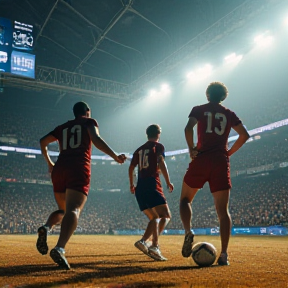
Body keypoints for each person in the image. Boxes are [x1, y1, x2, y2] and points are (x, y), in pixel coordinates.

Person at [36, 101, 126, 269]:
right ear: (87, 112)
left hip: (60, 168)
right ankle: (60, 248)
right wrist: (115, 157)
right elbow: (96, 139)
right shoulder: (89, 122)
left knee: (63, 210)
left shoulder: (62, 127)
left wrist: (49, 163)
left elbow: (43, 141)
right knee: (73, 209)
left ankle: (46, 227)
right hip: (78, 167)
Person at [179, 82, 249, 265]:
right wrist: (229, 152)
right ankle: (224, 254)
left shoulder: (198, 109)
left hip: (201, 158)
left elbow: (188, 128)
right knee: (222, 211)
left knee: (185, 200)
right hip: (220, 161)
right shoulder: (229, 113)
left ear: (207, 94)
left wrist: (191, 148)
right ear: (223, 96)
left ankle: (188, 232)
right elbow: (244, 135)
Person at [128, 124, 174, 261]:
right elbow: (161, 162)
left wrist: (131, 184)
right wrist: (168, 181)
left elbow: (131, 167)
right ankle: (154, 245)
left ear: (147, 134)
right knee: (165, 215)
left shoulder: (139, 150)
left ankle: (143, 242)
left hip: (139, 187)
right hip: (152, 184)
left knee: (154, 218)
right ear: (158, 134)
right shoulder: (158, 147)